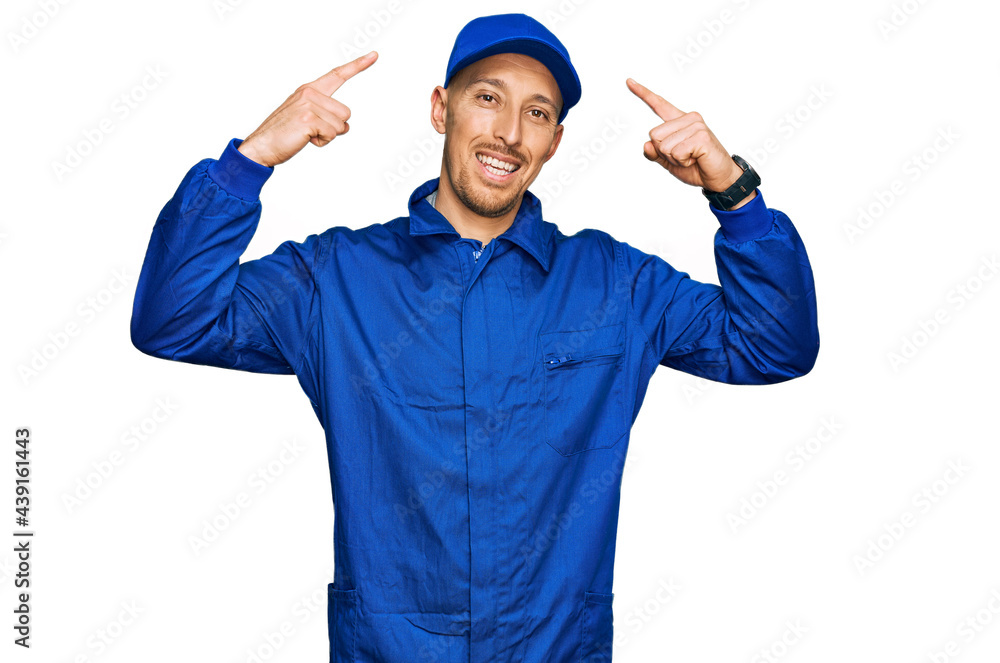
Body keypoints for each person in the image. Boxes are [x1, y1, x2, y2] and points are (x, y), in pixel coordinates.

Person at [131, 12, 818, 663]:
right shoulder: (335, 280)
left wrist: (734, 193)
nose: (510, 132)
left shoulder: (616, 286)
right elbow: (172, 319)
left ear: (552, 141)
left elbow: (774, 345)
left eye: (538, 113)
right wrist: (248, 162)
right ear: (441, 109)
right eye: (488, 97)